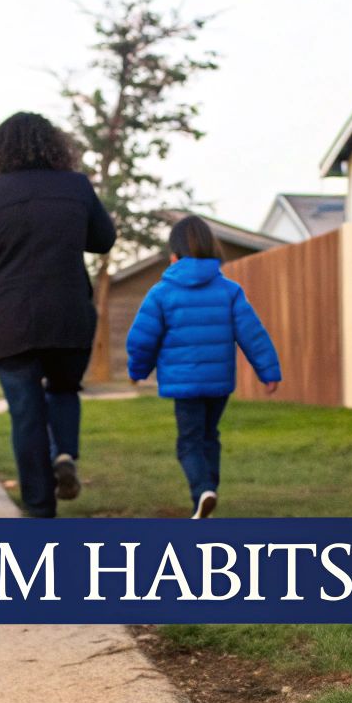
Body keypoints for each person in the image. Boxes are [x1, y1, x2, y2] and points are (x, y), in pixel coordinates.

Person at [0, 112, 115, 517]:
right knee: (62, 389)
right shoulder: (75, 187)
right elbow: (103, 239)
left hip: (10, 319)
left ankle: (40, 510)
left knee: (25, 413)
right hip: (68, 311)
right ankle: (65, 455)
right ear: (55, 146)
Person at [125, 215, 281, 519]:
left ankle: (202, 492)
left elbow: (142, 340)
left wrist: (138, 370)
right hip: (218, 383)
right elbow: (253, 334)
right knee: (209, 436)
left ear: (173, 256)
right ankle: (209, 490)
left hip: (184, 384)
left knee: (188, 442)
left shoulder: (161, 293)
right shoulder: (229, 291)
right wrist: (269, 371)